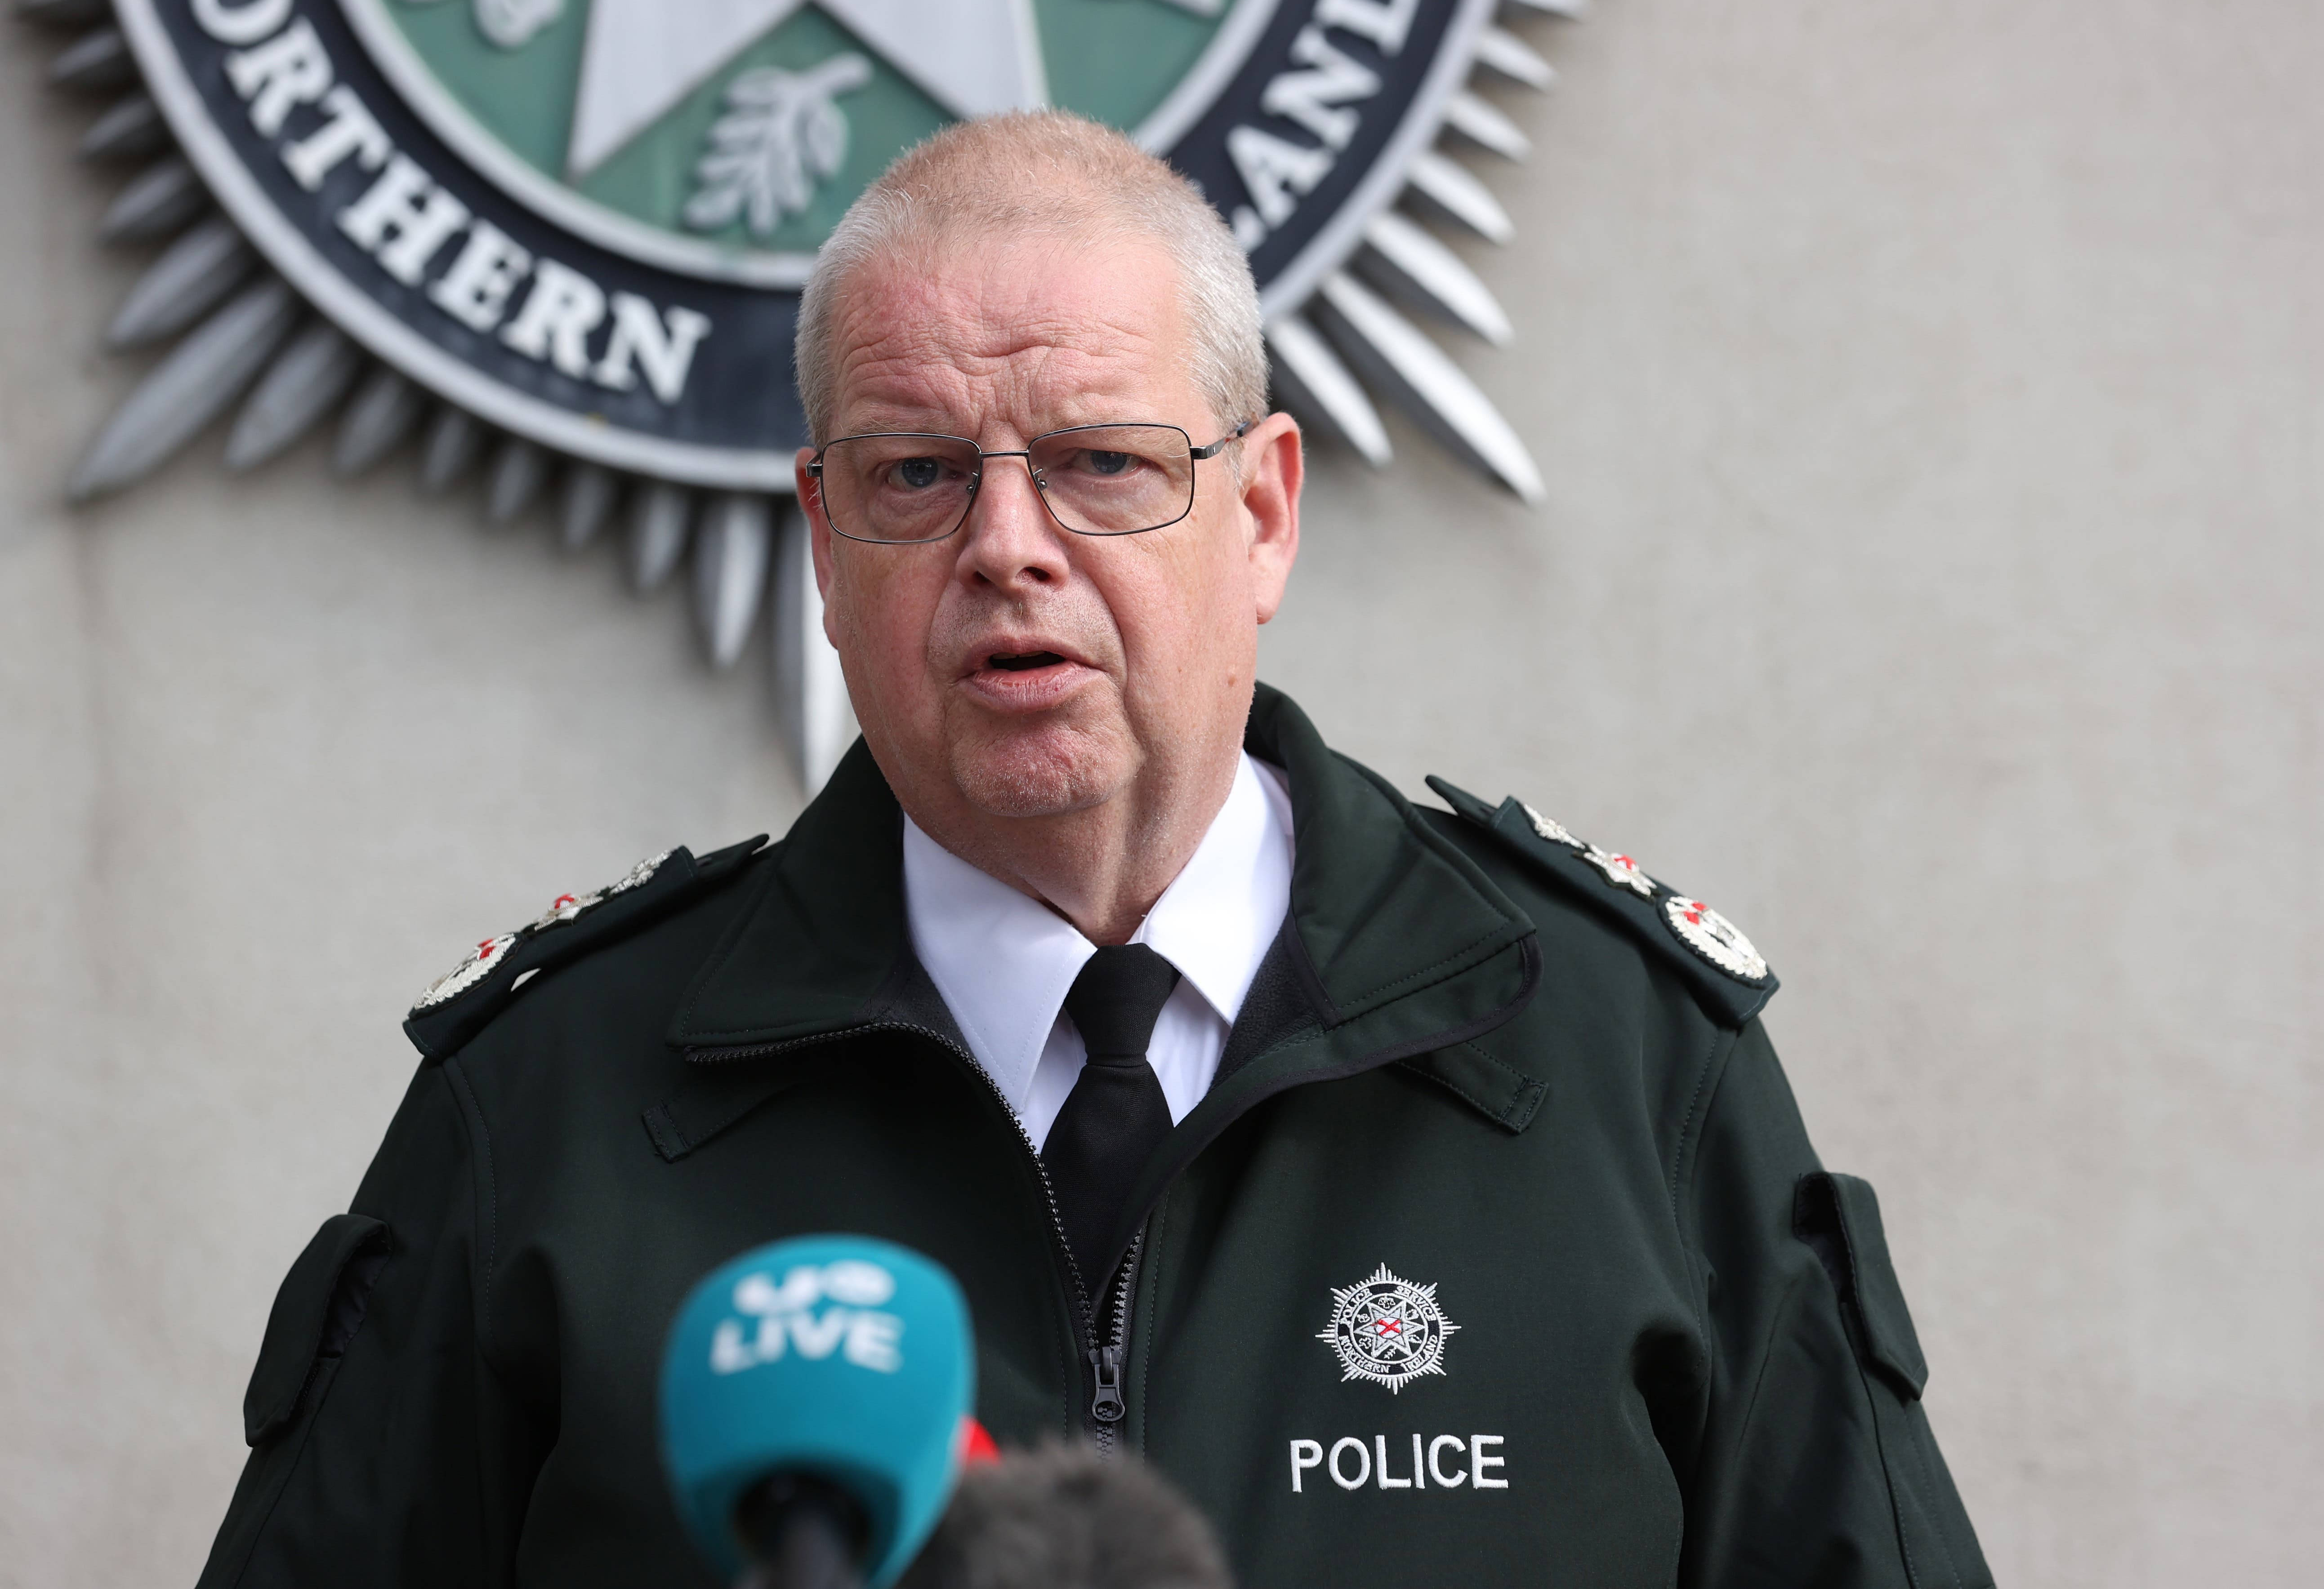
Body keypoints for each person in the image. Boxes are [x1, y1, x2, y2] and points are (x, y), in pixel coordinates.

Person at [196, 112, 1992, 1589]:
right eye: (918, 476)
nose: (1008, 547)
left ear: (1265, 510)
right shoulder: (555, 1105)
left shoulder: (1621, 1062)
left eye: (1103, 463)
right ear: (826, 543)